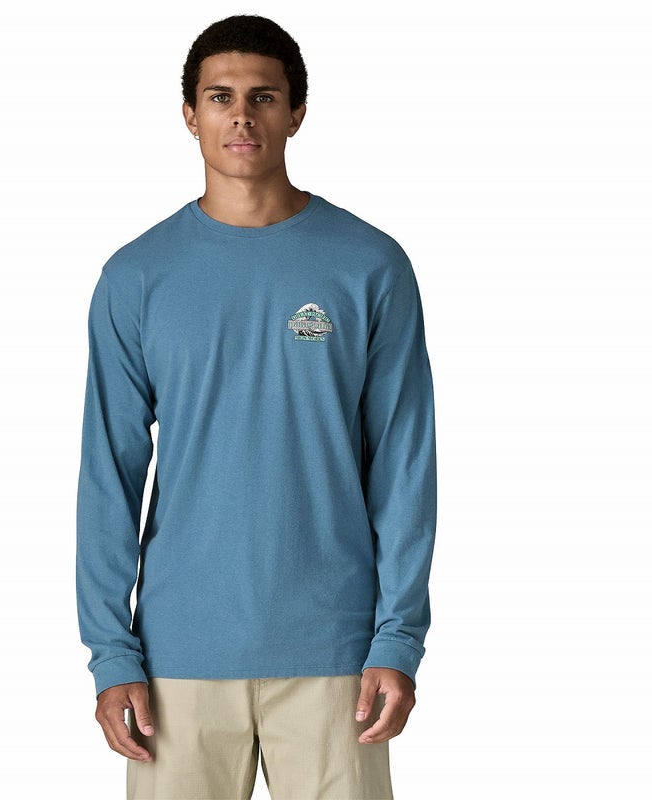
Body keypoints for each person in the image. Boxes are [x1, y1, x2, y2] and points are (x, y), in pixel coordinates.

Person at [76, 14, 437, 800]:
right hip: (177, 659)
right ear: (189, 114)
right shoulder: (136, 278)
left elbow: (405, 466)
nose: (241, 115)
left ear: (296, 112)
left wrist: (397, 640)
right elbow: (109, 477)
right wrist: (112, 653)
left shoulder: (370, 266)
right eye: (221, 96)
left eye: (263, 96)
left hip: (338, 655)